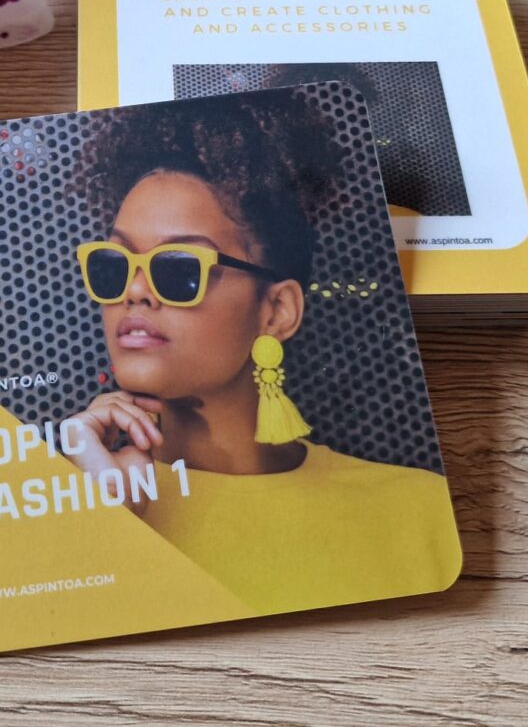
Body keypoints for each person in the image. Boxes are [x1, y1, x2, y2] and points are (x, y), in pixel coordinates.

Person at [66, 93, 460, 612]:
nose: (134, 292)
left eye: (179, 268)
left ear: (276, 310)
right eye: (113, 266)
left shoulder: (417, 512)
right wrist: (100, 522)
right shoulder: (65, 498)